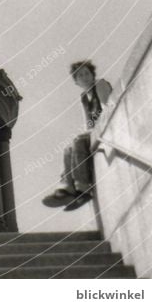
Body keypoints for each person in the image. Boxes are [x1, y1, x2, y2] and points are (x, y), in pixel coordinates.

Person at [42, 60, 112, 211]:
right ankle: (67, 187)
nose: (84, 77)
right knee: (68, 148)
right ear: (76, 81)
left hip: (108, 124)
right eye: (80, 75)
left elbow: (108, 107)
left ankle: (82, 188)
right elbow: (88, 124)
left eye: (87, 73)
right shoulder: (83, 97)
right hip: (96, 130)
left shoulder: (99, 84)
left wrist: (91, 132)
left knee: (78, 141)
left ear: (92, 74)